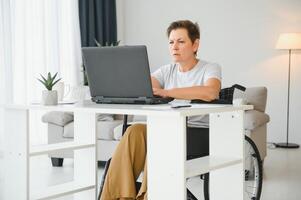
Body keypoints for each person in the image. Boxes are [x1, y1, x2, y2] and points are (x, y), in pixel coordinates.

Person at [99, 20, 221, 200]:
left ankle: (148, 196)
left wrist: (167, 92)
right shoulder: (167, 71)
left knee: (159, 137)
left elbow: (211, 92)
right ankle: (117, 197)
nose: (174, 47)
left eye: (181, 41)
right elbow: (144, 85)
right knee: (134, 131)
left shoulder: (209, 68)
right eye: (171, 42)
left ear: (195, 44)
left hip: (198, 132)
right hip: (167, 129)